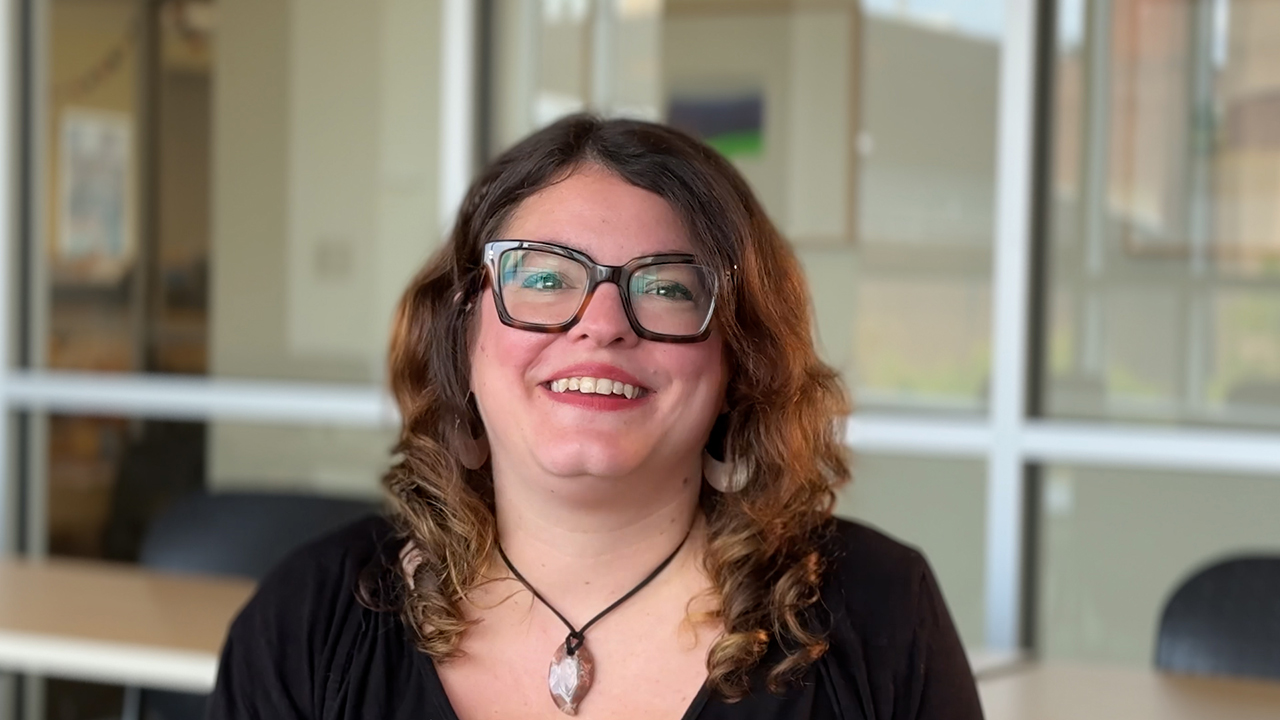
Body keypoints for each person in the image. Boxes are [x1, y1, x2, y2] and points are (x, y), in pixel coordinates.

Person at [205, 114, 984, 720]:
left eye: (668, 288)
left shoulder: (881, 614)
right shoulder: (308, 622)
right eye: (542, 277)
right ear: (462, 332)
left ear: (738, 359)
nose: (602, 323)